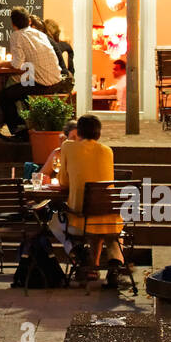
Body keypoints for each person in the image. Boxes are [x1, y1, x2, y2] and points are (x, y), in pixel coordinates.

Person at [56, 114, 123, 286]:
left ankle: (79, 257)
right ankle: (114, 266)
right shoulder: (108, 151)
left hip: (81, 219)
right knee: (110, 234)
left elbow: (63, 182)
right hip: (108, 217)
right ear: (98, 134)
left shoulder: (68, 147)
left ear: (78, 132)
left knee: (54, 221)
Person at [0, 8, 67, 139]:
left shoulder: (17, 35)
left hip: (42, 83)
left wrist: (0, 64)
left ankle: (19, 130)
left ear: (13, 24)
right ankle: (28, 126)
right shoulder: (40, 34)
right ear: (29, 21)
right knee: (22, 88)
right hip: (56, 81)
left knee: (4, 96)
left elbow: (17, 64)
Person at [38, 119, 79, 185]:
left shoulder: (85, 153)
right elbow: (41, 176)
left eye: (79, 138)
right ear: (67, 139)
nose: (76, 141)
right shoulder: (58, 153)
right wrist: (49, 180)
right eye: (73, 138)